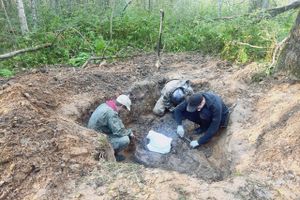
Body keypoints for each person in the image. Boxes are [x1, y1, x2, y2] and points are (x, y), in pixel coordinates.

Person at [87, 94, 133, 161]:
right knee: (125, 140)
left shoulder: (105, 105)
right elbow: (119, 132)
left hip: (92, 132)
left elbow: (115, 123)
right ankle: (112, 155)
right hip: (97, 139)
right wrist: (129, 132)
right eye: (125, 108)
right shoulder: (111, 113)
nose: (124, 110)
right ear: (122, 106)